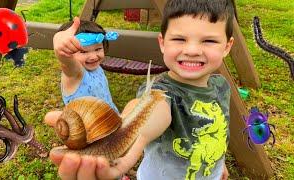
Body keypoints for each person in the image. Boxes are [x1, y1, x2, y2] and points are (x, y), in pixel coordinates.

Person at [46, 0, 235, 179]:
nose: (192, 50)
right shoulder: (161, 92)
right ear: (162, 42)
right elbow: (150, 117)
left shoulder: (222, 86)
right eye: (179, 39)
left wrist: (219, 162)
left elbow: (220, 132)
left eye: (209, 41)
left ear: (227, 46)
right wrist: (127, 153)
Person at [44, 17, 119, 126]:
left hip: (109, 118)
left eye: (98, 49)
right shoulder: (75, 74)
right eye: (83, 52)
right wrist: (60, 49)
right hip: (91, 129)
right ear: (69, 53)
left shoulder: (96, 67)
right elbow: (66, 62)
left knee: (133, 104)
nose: (93, 56)